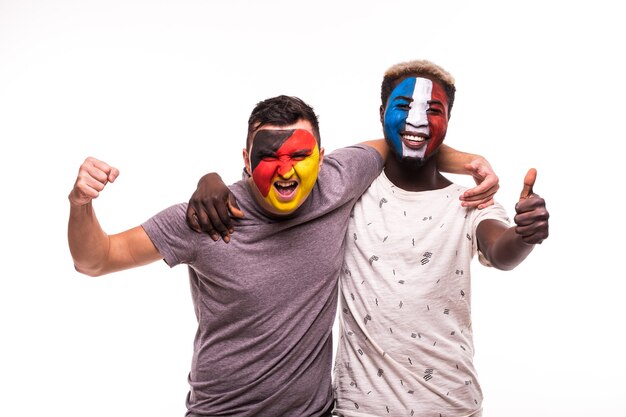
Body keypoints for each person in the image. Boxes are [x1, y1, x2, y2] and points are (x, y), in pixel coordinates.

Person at [68, 95, 497, 417]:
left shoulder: (338, 181)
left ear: (323, 157)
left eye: (299, 155)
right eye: (269, 156)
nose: (286, 169)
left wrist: (471, 162)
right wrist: (81, 204)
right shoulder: (206, 217)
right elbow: (95, 260)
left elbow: (402, 141)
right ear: (244, 159)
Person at [186, 61, 549, 416]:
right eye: (404, 107)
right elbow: (280, 166)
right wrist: (210, 178)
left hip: (452, 404)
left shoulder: (471, 202)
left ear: (448, 121)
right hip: (359, 408)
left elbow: (501, 251)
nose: (417, 119)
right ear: (381, 113)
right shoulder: (347, 190)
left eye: (433, 110)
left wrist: (524, 234)